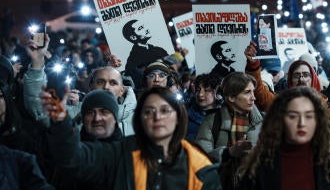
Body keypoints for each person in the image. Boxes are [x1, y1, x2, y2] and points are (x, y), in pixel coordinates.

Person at [41, 86, 221, 189]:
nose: (157, 117)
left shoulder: (201, 168)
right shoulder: (119, 153)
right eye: (149, 111)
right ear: (140, 119)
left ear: (178, 118)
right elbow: (73, 158)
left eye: (165, 110)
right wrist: (62, 122)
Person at [238, 87, 330, 190]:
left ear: (318, 121)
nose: (302, 123)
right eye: (293, 116)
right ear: (281, 120)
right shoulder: (258, 167)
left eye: (309, 116)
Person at [195, 72, 262, 188]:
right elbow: (200, 160)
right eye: (247, 92)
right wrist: (228, 152)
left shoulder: (263, 122)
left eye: (253, 92)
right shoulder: (212, 121)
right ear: (231, 97)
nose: (253, 97)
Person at [122, 19, 169, 89]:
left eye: (144, 26)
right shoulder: (132, 60)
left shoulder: (159, 50)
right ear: (133, 37)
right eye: (140, 28)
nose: (146, 29)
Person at [187, 73, 222, 141]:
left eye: (206, 90)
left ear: (217, 92)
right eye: (198, 90)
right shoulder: (185, 115)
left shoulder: (224, 116)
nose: (200, 94)